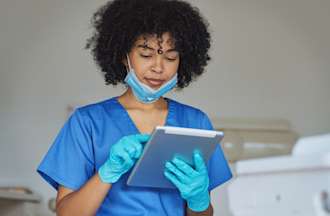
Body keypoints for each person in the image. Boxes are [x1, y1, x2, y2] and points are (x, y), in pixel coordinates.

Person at [37, 0, 232, 215]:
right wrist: (107, 173)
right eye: (146, 55)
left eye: (170, 57)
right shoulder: (88, 122)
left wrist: (198, 199)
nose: (158, 67)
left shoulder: (196, 122)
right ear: (124, 55)